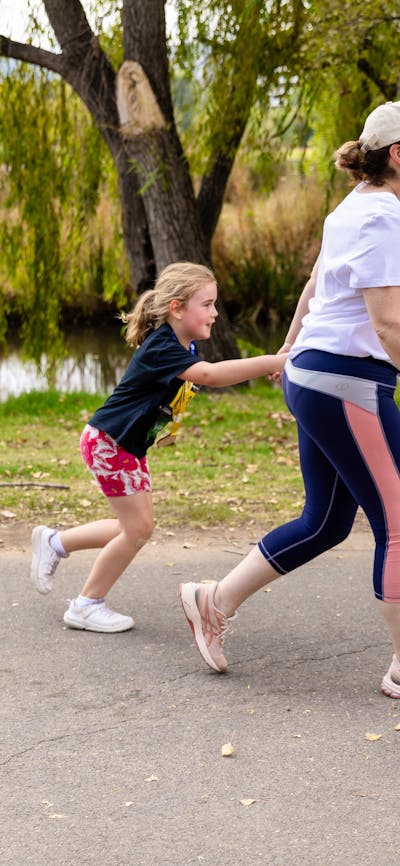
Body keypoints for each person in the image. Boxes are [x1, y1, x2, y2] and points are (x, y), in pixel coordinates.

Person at [179, 101, 400, 700]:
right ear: (398, 156)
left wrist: (287, 352)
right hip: (349, 382)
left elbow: (314, 286)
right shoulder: (382, 216)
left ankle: (213, 599)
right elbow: (387, 325)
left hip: (315, 374)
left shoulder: (351, 210)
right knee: (399, 525)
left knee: (326, 521)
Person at [31, 261, 286, 633]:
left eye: (215, 304)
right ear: (177, 308)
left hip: (124, 444)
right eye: (207, 304)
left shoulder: (182, 343)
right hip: (110, 442)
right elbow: (210, 375)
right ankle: (86, 604)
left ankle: (55, 542)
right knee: (137, 529)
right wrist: (272, 362)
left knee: (132, 526)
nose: (215, 313)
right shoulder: (163, 347)